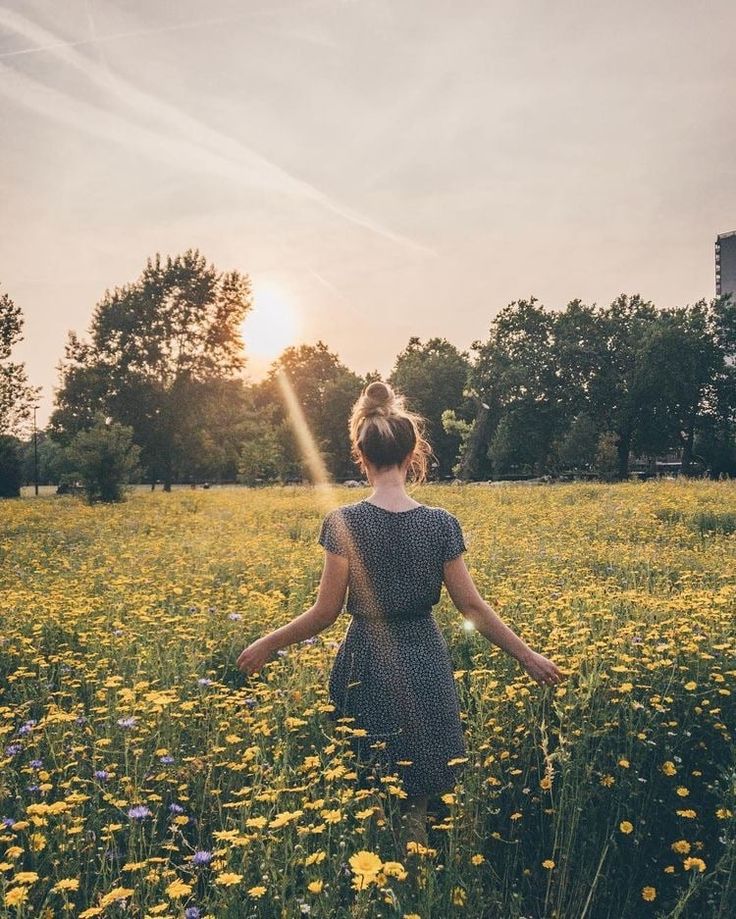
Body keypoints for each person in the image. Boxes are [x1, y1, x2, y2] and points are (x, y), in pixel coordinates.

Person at [236, 381, 564, 854]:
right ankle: (425, 875)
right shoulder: (440, 523)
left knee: (376, 784)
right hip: (424, 660)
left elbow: (324, 613)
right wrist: (526, 656)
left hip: (367, 662)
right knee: (425, 788)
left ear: (361, 456)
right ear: (413, 455)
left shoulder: (344, 522)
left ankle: (392, 880)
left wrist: (268, 643)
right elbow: (471, 607)